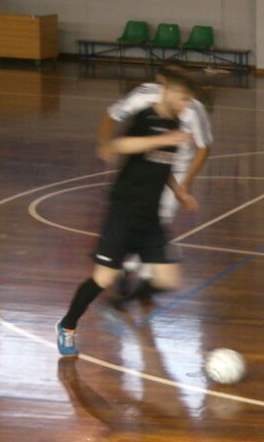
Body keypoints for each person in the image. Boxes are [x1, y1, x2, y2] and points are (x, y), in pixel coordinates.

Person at [55, 70, 201, 356]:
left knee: (167, 280)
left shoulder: (175, 123)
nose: (185, 106)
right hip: (123, 212)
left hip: (149, 216)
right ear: (168, 92)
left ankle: (116, 306)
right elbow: (119, 145)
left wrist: (179, 191)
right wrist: (161, 140)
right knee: (103, 279)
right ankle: (68, 325)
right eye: (183, 99)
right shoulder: (145, 118)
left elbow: (163, 163)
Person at [96, 67, 213, 299]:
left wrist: (185, 184)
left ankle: (135, 271)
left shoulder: (194, 109)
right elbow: (112, 116)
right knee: (133, 217)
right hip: (140, 165)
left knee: (159, 220)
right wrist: (105, 143)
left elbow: (204, 147)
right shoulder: (143, 95)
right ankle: (126, 267)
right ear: (165, 86)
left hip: (173, 169)